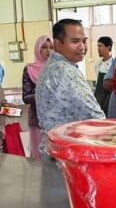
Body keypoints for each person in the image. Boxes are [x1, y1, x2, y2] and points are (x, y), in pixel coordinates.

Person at [36, 19, 105, 156]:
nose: (82, 47)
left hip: (56, 149)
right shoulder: (64, 70)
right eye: (75, 42)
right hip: (67, 155)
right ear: (57, 44)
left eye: (84, 41)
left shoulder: (53, 66)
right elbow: (93, 115)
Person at [22, 35, 53, 159]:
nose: (48, 51)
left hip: (56, 120)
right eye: (44, 47)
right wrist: (44, 94)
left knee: (54, 157)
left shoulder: (58, 68)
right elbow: (25, 97)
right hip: (37, 119)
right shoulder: (29, 69)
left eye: (51, 47)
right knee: (38, 157)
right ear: (37, 50)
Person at [94, 36, 113, 117]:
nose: (98, 48)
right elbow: (98, 83)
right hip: (98, 99)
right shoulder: (97, 64)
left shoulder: (114, 64)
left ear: (108, 47)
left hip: (109, 100)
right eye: (97, 46)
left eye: (100, 46)